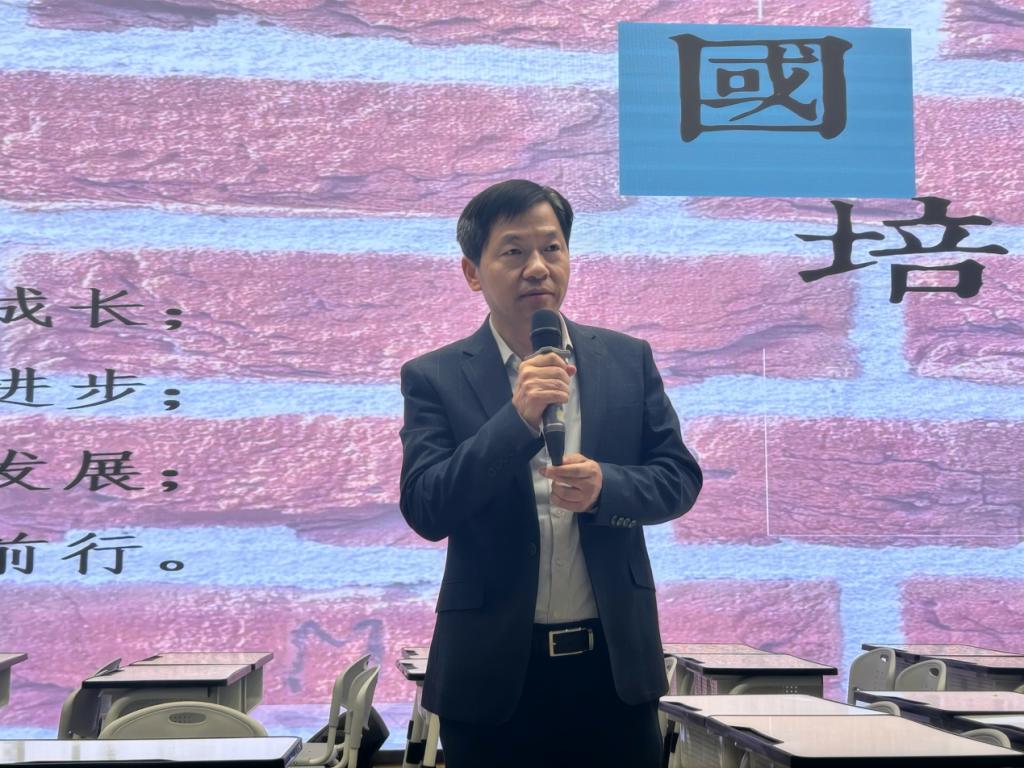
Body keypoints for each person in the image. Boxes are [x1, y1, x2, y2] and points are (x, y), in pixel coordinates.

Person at [398, 179, 702, 767]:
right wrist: (515, 421)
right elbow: (427, 507)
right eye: (514, 251)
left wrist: (607, 487)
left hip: (612, 670)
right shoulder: (434, 376)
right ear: (472, 272)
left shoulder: (627, 359)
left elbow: (678, 479)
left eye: (551, 248)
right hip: (490, 676)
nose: (537, 266)